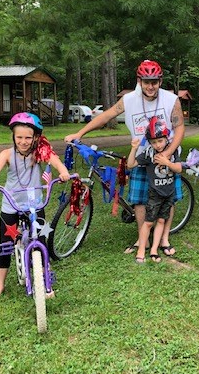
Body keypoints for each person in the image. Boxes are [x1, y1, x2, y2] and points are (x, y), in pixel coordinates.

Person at [64, 59, 185, 256]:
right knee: (139, 199)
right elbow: (106, 116)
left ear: (160, 81)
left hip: (166, 155)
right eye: (146, 82)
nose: (151, 86)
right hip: (141, 156)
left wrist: (168, 153)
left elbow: (179, 128)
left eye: (154, 82)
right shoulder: (129, 100)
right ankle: (143, 239)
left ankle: (164, 239)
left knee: (167, 197)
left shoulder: (171, 100)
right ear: (139, 81)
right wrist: (80, 133)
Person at [0, 112, 71, 306]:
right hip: (11, 205)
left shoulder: (40, 152)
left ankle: (44, 279)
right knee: (5, 247)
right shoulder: (6, 154)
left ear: (35, 137)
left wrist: (63, 172)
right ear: (13, 136)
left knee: (41, 240)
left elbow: (55, 161)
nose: (23, 141)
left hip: (35, 205)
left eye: (28, 137)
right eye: (19, 137)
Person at [127, 117, 184, 263]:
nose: (157, 145)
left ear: (166, 139)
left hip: (169, 193)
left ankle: (154, 250)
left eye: (160, 141)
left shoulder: (172, 152)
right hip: (155, 194)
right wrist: (134, 148)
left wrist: (166, 162)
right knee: (148, 222)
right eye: (153, 142)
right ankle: (141, 251)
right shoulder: (148, 153)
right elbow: (131, 164)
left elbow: (179, 168)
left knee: (161, 220)